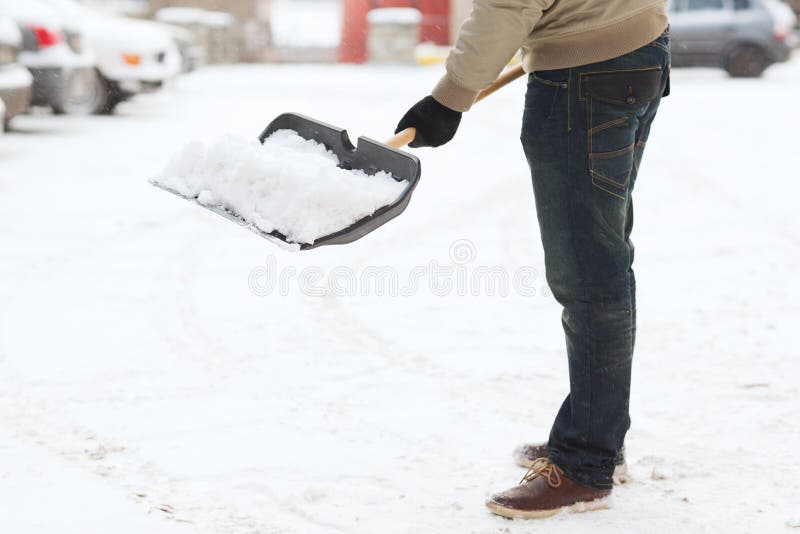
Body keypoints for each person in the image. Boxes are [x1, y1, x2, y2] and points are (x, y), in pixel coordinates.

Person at [395, 0, 671, 520]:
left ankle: (586, 462)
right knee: (605, 254)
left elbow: (509, 4)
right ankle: (599, 436)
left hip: (585, 78)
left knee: (590, 271)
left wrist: (448, 98)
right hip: (637, 50)